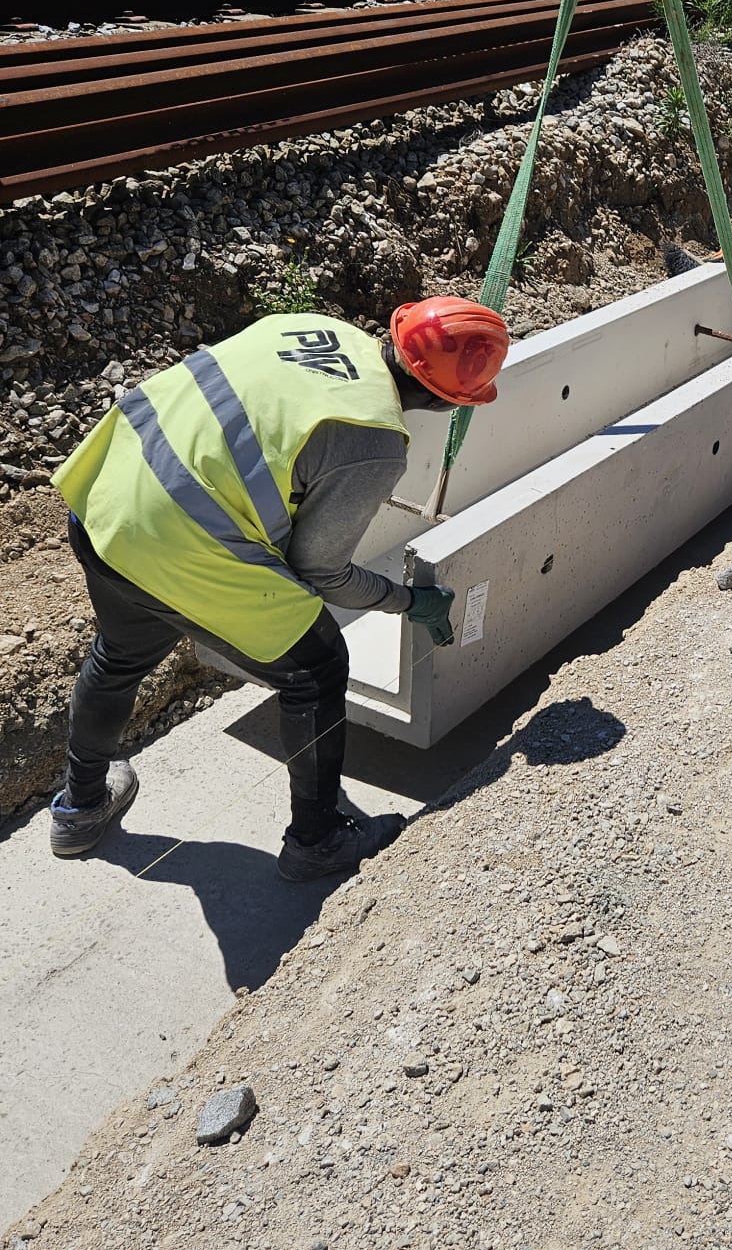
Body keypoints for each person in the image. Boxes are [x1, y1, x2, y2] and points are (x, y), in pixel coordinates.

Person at [49, 297, 508, 882]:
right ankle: (317, 840)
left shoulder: (311, 327)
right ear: (449, 401)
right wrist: (408, 601)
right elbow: (322, 572)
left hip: (109, 495)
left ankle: (80, 808)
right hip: (177, 541)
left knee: (118, 655)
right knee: (316, 669)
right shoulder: (372, 439)